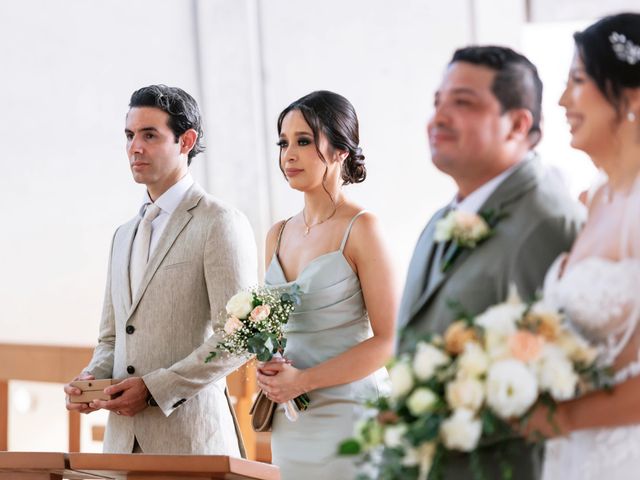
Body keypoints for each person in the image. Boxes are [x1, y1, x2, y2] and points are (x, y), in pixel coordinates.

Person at [396, 47, 584, 478]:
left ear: (517, 124)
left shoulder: (550, 223)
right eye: (437, 102)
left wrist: (434, 422)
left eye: (462, 103)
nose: (439, 117)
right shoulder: (441, 219)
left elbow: (562, 385)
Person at [63, 85, 258, 455]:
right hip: (121, 446)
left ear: (186, 141)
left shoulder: (220, 223)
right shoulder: (123, 235)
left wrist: (156, 389)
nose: (135, 147)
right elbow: (112, 338)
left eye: (150, 135)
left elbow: (239, 338)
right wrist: (92, 379)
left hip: (193, 443)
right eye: (130, 135)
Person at [518, 13, 640, 480]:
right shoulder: (598, 199)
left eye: (578, 81)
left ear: (629, 95)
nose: (564, 100)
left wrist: (562, 416)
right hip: (574, 457)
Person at [255, 90, 398, 479]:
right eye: (283, 143)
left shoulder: (362, 228)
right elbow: (270, 331)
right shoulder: (277, 234)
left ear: (340, 151)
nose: (288, 155)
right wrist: (269, 366)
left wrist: (304, 380)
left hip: (352, 417)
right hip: (292, 421)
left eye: (303, 141)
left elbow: (388, 340)